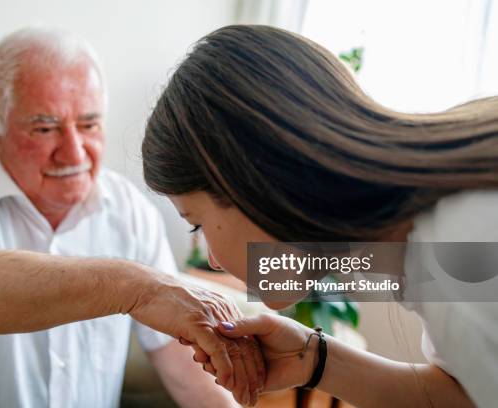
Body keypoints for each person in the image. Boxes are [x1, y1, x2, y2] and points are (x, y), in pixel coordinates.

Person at [0, 27, 264, 407]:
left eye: (89, 125)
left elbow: (177, 360)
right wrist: (132, 286)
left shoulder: (130, 209)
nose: (73, 153)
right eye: (45, 128)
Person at [142, 24, 498, 407]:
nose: (211, 258)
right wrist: (314, 361)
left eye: (196, 223)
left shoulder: (468, 246)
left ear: (246, 180)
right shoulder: (427, 247)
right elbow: (468, 396)